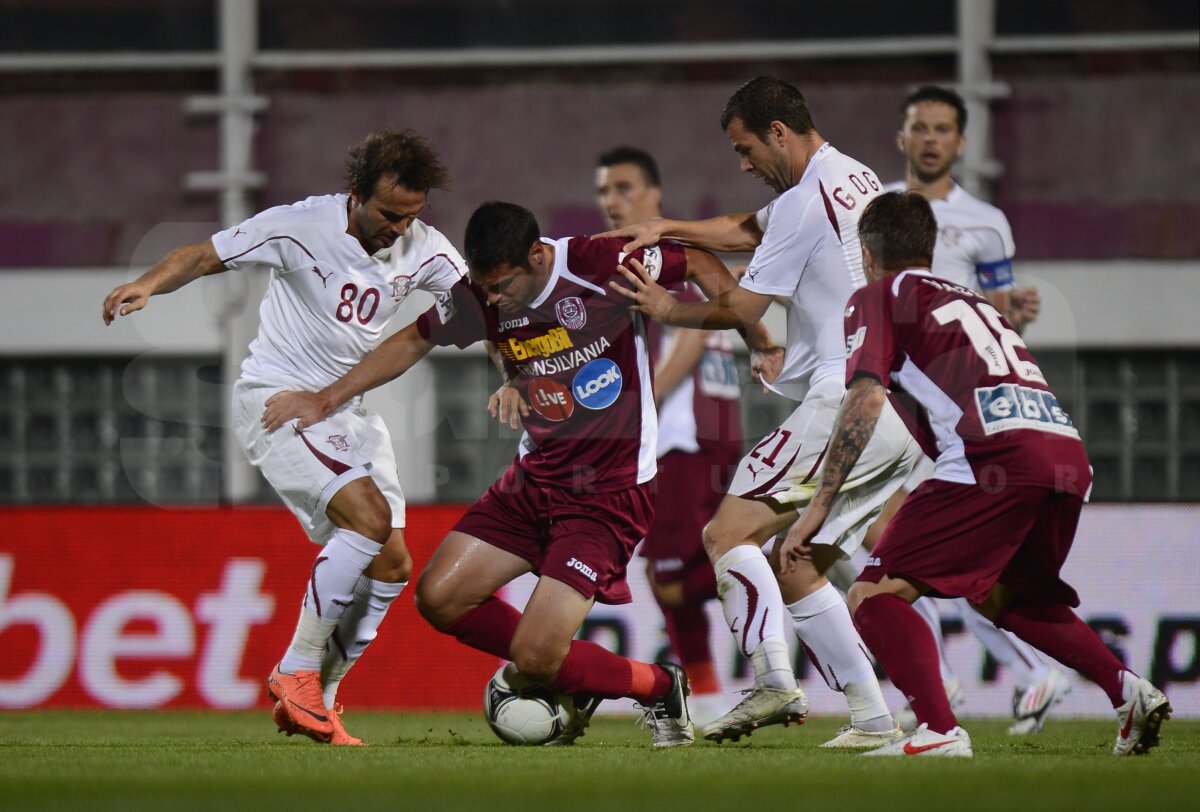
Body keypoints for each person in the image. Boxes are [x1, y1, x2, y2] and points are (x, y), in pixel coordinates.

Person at [261, 200, 778, 747]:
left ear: (536, 256)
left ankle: (652, 686)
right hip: (533, 481)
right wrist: (325, 398)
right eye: (483, 286)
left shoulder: (599, 263)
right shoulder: (484, 294)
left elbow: (695, 260)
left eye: (502, 285)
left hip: (607, 494)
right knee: (440, 596)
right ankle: (628, 679)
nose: (491, 298)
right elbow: (414, 339)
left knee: (535, 657)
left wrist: (755, 332)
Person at [102, 129, 467, 745]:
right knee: (369, 520)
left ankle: (318, 698)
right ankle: (295, 670)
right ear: (355, 195)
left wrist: (520, 370)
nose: (399, 229)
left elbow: (487, 303)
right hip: (279, 402)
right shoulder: (302, 225)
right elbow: (201, 254)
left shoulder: (424, 248)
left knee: (395, 563)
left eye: (412, 216)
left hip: (346, 411)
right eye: (388, 214)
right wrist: (147, 284)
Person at [784, 190, 1172, 757]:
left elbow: (865, 398)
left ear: (866, 254)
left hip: (993, 460)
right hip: (1064, 456)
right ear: (931, 248)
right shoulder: (975, 301)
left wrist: (819, 506)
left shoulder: (877, 295)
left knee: (872, 594)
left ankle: (940, 730)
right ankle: (1128, 692)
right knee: (1008, 598)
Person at [607, 76, 915, 747]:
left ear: (778, 131)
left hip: (846, 397)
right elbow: (748, 227)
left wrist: (666, 308)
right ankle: (873, 718)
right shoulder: (852, 177)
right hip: (899, 407)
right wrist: (672, 225)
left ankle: (775, 681)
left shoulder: (806, 201)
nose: (743, 165)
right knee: (799, 560)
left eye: (746, 149)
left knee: (725, 536)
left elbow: (739, 309)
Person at [886, 85, 1067, 735]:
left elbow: (998, 319)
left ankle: (957, 680)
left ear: (961, 143)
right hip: (894, 392)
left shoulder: (986, 224)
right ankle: (991, 676)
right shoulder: (876, 208)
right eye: (920, 127)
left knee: (906, 545)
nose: (931, 138)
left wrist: (1013, 313)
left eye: (942, 129)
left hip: (953, 407)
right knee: (903, 548)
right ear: (901, 137)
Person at [596, 146, 742, 725]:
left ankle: (780, 567)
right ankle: (706, 694)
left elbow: (695, 334)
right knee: (670, 574)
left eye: (625, 188)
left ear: (656, 198)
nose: (612, 201)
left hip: (683, 438)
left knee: (674, 578)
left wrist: (643, 405)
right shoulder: (686, 257)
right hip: (715, 430)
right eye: (605, 190)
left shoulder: (657, 256)